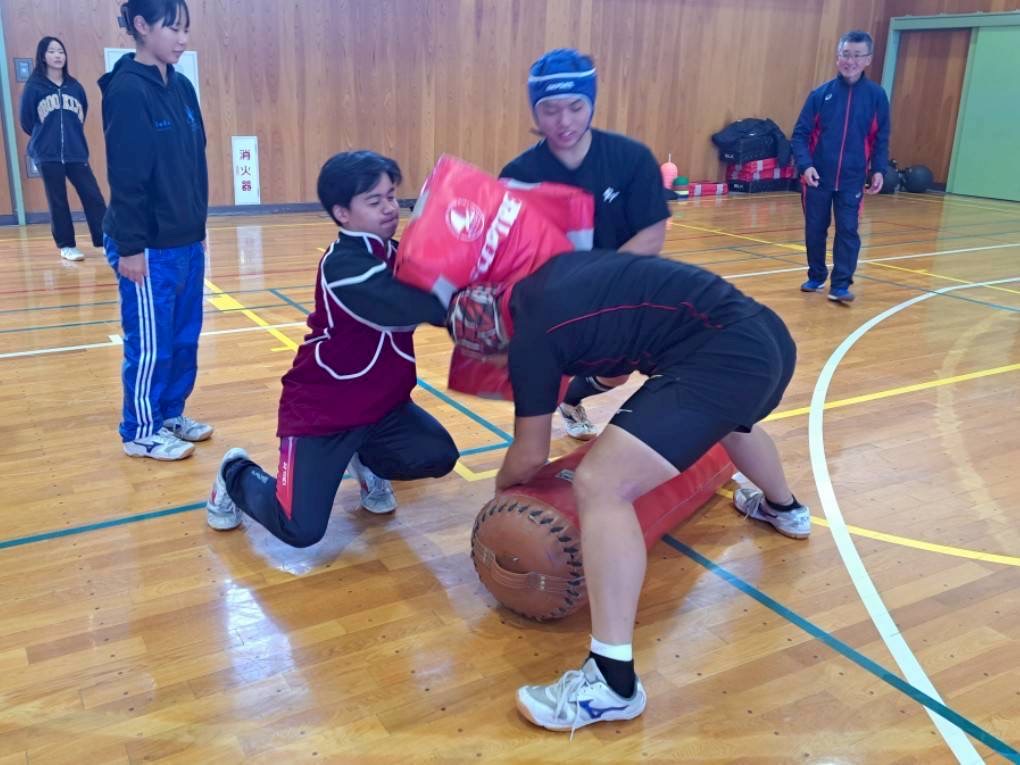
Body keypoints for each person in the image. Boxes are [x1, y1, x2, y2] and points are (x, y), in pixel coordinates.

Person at [447, 251, 809, 732]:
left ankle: (611, 682)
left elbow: (530, 455)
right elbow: (613, 371)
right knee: (728, 418)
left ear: (496, 344)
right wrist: (570, 392)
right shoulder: (552, 276)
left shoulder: (529, 344)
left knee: (601, 483)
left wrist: (503, 493)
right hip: (765, 338)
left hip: (722, 359)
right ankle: (785, 508)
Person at [205, 151, 459, 546]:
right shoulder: (343, 266)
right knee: (300, 529)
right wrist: (467, 306)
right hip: (324, 411)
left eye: (392, 196)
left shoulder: (397, 254)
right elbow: (405, 306)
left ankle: (366, 459)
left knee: (438, 455)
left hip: (382, 407)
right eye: (374, 201)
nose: (390, 208)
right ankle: (234, 474)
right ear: (342, 213)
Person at [499, 48, 670, 441]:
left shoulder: (631, 158)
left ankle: (572, 398)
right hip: (552, 302)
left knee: (618, 373)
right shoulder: (519, 174)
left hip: (619, 290)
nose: (564, 121)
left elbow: (651, 235)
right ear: (534, 112)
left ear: (591, 102)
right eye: (550, 109)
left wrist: (593, 283)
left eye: (576, 107)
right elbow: (509, 250)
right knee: (541, 377)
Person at [100, 0, 211, 460]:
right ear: (142, 26)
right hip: (146, 247)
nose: (182, 39)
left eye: (186, 28)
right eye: (173, 28)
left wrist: (198, 226)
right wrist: (131, 247)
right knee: (151, 343)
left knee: (184, 338)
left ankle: (168, 414)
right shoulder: (127, 90)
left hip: (187, 240)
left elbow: (195, 161)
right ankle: (140, 430)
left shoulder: (182, 87)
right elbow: (127, 176)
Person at [792, 30, 890, 304]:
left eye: (857, 55)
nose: (851, 61)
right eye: (846, 54)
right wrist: (805, 166)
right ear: (838, 57)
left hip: (852, 179)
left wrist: (878, 169)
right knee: (815, 229)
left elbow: (881, 137)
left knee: (848, 230)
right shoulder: (820, 95)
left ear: (868, 59)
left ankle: (841, 285)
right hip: (817, 178)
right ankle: (816, 276)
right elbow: (800, 135)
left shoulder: (876, 96)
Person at [19, 36, 107, 262]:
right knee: (58, 200)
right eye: (52, 51)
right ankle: (67, 245)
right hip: (47, 154)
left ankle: (105, 240)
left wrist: (70, 138)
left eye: (61, 51)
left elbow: (81, 114)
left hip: (76, 152)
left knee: (93, 196)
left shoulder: (75, 87)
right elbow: (26, 121)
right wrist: (45, 138)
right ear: (43, 56)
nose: (58, 55)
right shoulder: (34, 87)